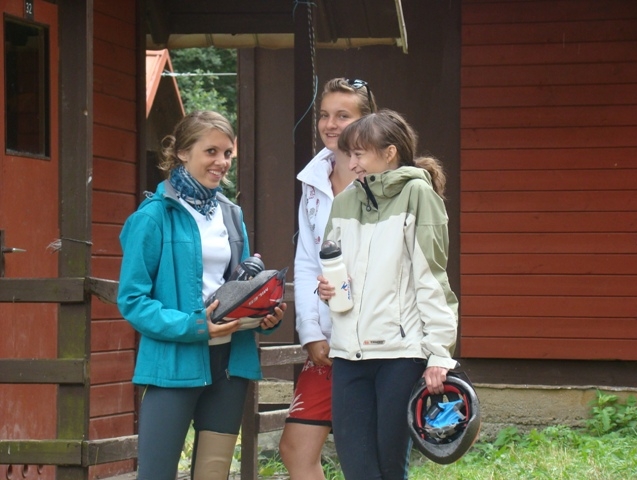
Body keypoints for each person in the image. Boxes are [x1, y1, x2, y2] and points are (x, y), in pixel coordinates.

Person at [117, 110, 287, 480]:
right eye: (211, 151)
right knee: (156, 475)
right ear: (182, 152)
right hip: (173, 363)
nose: (221, 162)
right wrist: (194, 325)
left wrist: (265, 315)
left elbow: (241, 288)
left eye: (227, 153)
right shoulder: (153, 217)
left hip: (229, 363)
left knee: (213, 473)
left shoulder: (231, 214)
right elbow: (132, 300)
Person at [317, 109, 458, 480]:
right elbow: (334, 269)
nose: (351, 163)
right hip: (348, 353)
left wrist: (439, 353)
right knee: (357, 469)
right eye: (348, 154)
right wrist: (327, 289)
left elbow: (432, 279)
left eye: (359, 154)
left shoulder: (418, 194)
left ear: (390, 152)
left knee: (389, 468)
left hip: (400, 355)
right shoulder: (343, 202)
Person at [279, 78, 377, 479]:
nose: (330, 124)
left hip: (377, 339)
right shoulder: (313, 180)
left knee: (367, 455)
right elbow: (307, 261)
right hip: (328, 341)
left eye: (343, 115)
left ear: (366, 121)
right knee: (295, 449)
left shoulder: (385, 177)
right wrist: (309, 331)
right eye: (324, 115)